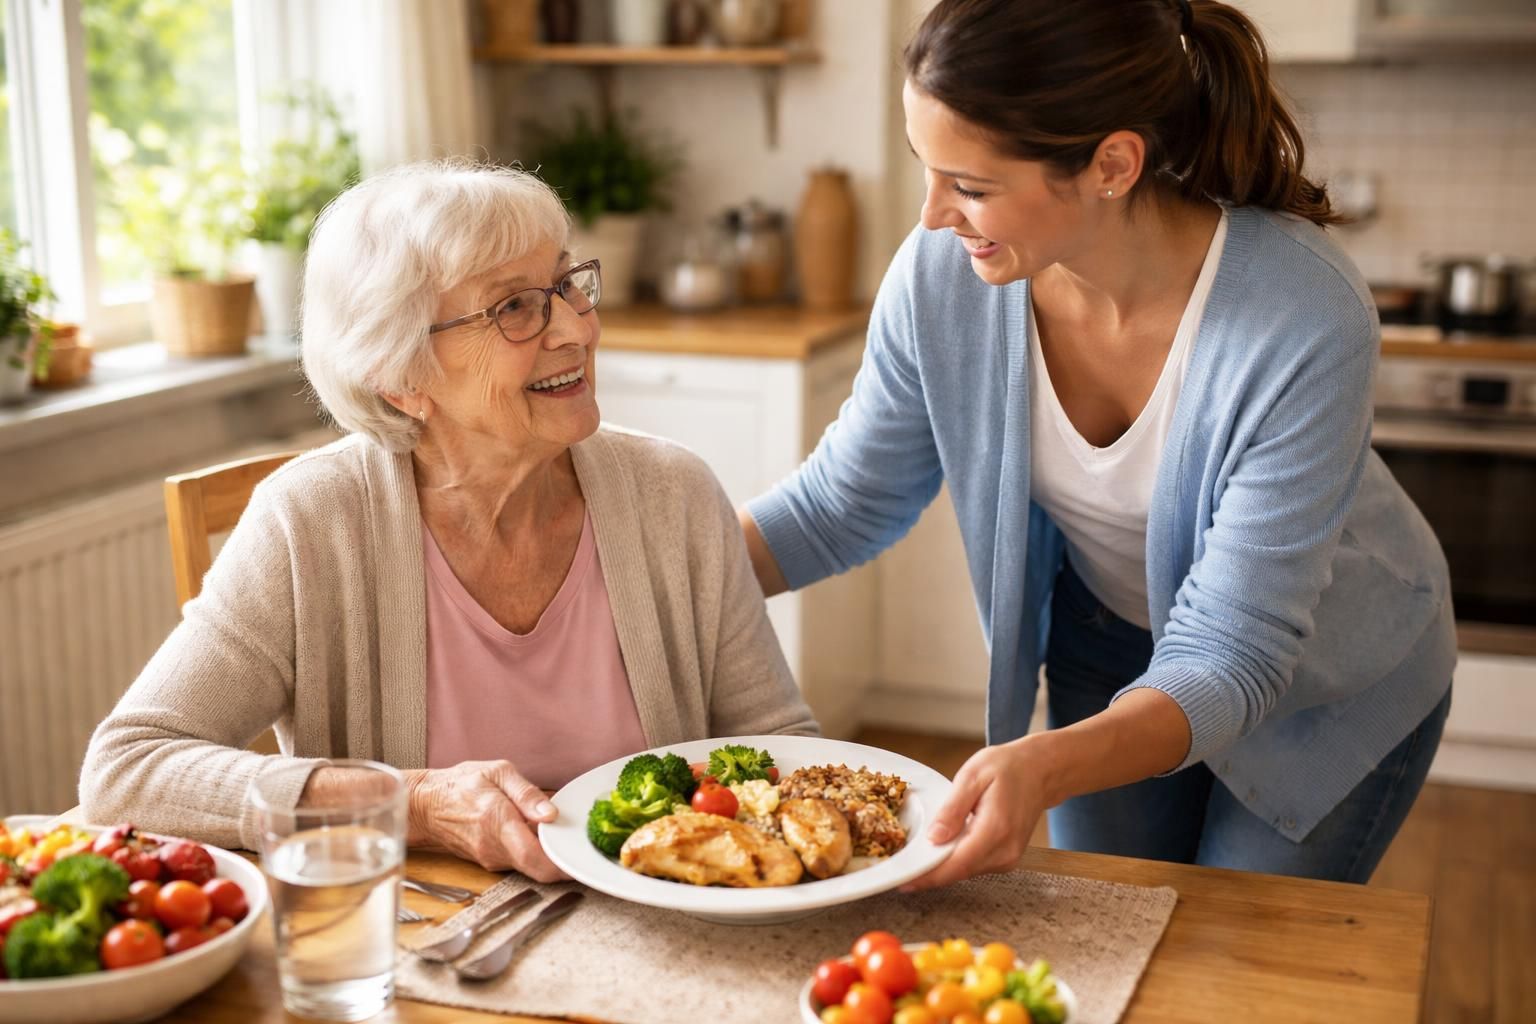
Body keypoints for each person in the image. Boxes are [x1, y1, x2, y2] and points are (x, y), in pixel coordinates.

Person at [740, 0, 1453, 888]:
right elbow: (842, 504)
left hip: (1325, 675)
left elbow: (1233, 652)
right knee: (1113, 933)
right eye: (929, 170)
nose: (931, 218)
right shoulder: (946, 278)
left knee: (1236, 973)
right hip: (1110, 641)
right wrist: (635, 579)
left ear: (1112, 164)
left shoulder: (1301, 315)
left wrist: (1041, 766)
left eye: (970, 184)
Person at [81, 161, 818, 880]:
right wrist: (414, 803)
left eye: (565, 285)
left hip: (668, 935)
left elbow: (780, 744)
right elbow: (129, 766)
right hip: (420, 947)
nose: (575, 330)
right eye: (515, 307)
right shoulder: (311, 523)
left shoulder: (674, 494)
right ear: (403, 381)